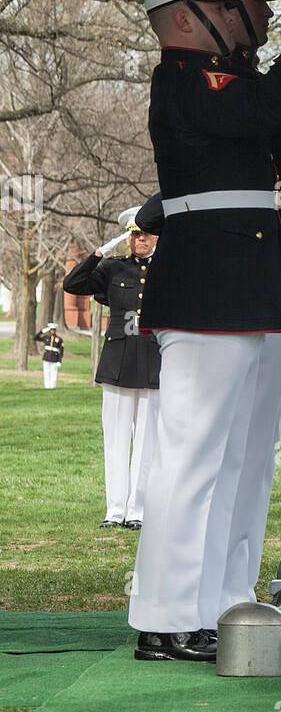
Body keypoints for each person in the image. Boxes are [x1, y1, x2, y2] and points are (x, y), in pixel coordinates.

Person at [128, 0, 281, 662]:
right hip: (212, 284)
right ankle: (164, 615)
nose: (249, 14)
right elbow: (270, 109)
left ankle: (225, 601)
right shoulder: (185, 80)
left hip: (263, 280)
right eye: (232, 5)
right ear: (189, 16)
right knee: (194, 454)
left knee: (247, 459)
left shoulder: (244, 84)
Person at [63, 207, 161, 529]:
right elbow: (73, 283)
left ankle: (138, 511)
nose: (138, 238)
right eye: (133, 233)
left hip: (153, 365)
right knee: (116, 442)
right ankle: (114, 510)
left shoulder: (167, 270)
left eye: (144, 232)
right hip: (117, 364)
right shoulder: (114, 268)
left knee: (146, 445)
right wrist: (101, 251)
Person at [35, 323, 63, 388]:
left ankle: (53, 386)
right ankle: (47, 386)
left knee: (53, 373)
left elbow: (61, 351)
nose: (52, 331)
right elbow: (35, 337)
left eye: (53, 330)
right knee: (46, 373)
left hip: (54, 358)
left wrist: (59, 361)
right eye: (51, 330)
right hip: (46, 358)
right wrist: (42, 331)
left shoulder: (59, 339)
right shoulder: (46, 338)